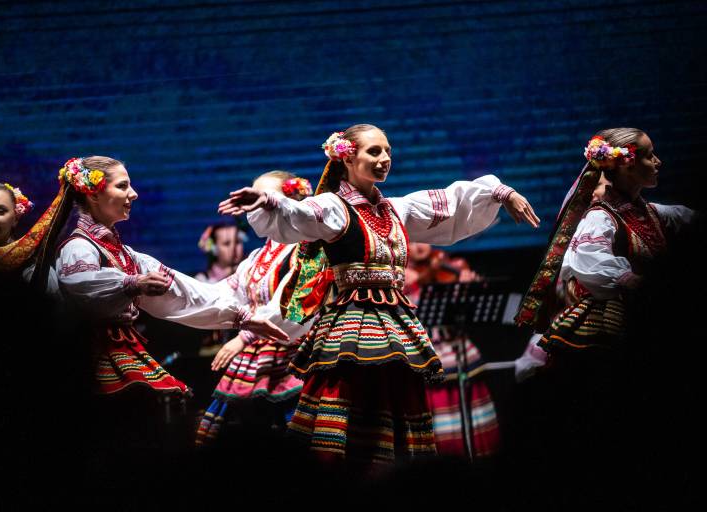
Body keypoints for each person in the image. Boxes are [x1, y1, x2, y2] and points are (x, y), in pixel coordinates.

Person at [218, 124, 539, 467]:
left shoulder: (396, 209)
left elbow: (449, 202)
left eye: (387, 151)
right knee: (348, 414)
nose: (385, 158)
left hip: (396, 326)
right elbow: (301, 213)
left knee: (398, 411)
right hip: (353, 328)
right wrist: (270, 200)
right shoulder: (334, 207)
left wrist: (500, 192)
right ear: (347, 158)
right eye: (374, 151)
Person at [513, 128, 696, 506]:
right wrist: (638, 283)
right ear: (625, 165)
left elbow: (686, 217)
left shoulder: (649, 212)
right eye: (649, 155)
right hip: (606, 329)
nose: (657, 161)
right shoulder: (600, 218)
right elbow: (590, 264)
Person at [52, 156, 288, 400]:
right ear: (93, 195)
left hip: (121, 347)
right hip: (88, 353)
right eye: (122, 186)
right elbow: (81, 284)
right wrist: (133, 283)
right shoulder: (78, 247)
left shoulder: (127, 255)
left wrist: (242, 318)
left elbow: (182, 291)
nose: (133, 194)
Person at [196, 171, 314, 445]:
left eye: (260, 198)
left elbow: (295, 304)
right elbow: (222, 293)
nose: (252, 205)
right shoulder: (257, 257)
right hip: (256, 355)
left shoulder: (309, 249)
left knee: (296, 432)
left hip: (296, 352)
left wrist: (245, 336)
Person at [405, 243, 501, 458]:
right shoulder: (400, 273)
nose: (419, 246)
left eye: (424, 239)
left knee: (473, 424)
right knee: (441, 432)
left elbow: (464, 312)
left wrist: (470, 289)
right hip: (427, 357)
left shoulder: (452, 265)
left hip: (459, 353)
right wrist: (425, 276)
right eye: (414, 239)